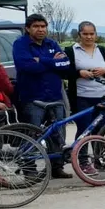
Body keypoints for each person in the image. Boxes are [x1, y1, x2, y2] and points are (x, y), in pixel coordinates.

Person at [12, 13, 72, 178]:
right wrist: (52, 61)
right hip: (32, 98)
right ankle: (29, 170)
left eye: (43, 26)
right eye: (36, 26)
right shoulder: (20, 44)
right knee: (32, 134)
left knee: (58, 133)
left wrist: (41, 60)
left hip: (55, 96)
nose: (40, 30)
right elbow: (26, 66)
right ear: (28, 28)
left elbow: (65, 64)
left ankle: (56, 167)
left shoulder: (51, 43)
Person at [64, 21, 105, 117]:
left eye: (91, 34)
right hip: (81, 98)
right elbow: (64, 73)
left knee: (100, 129)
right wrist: (79, 73)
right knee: (84, 128)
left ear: (96, 34)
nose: (89, 37)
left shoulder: (102, 50)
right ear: (79, 34)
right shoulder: (70, 51)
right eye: (85, 34)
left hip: (103, 97)